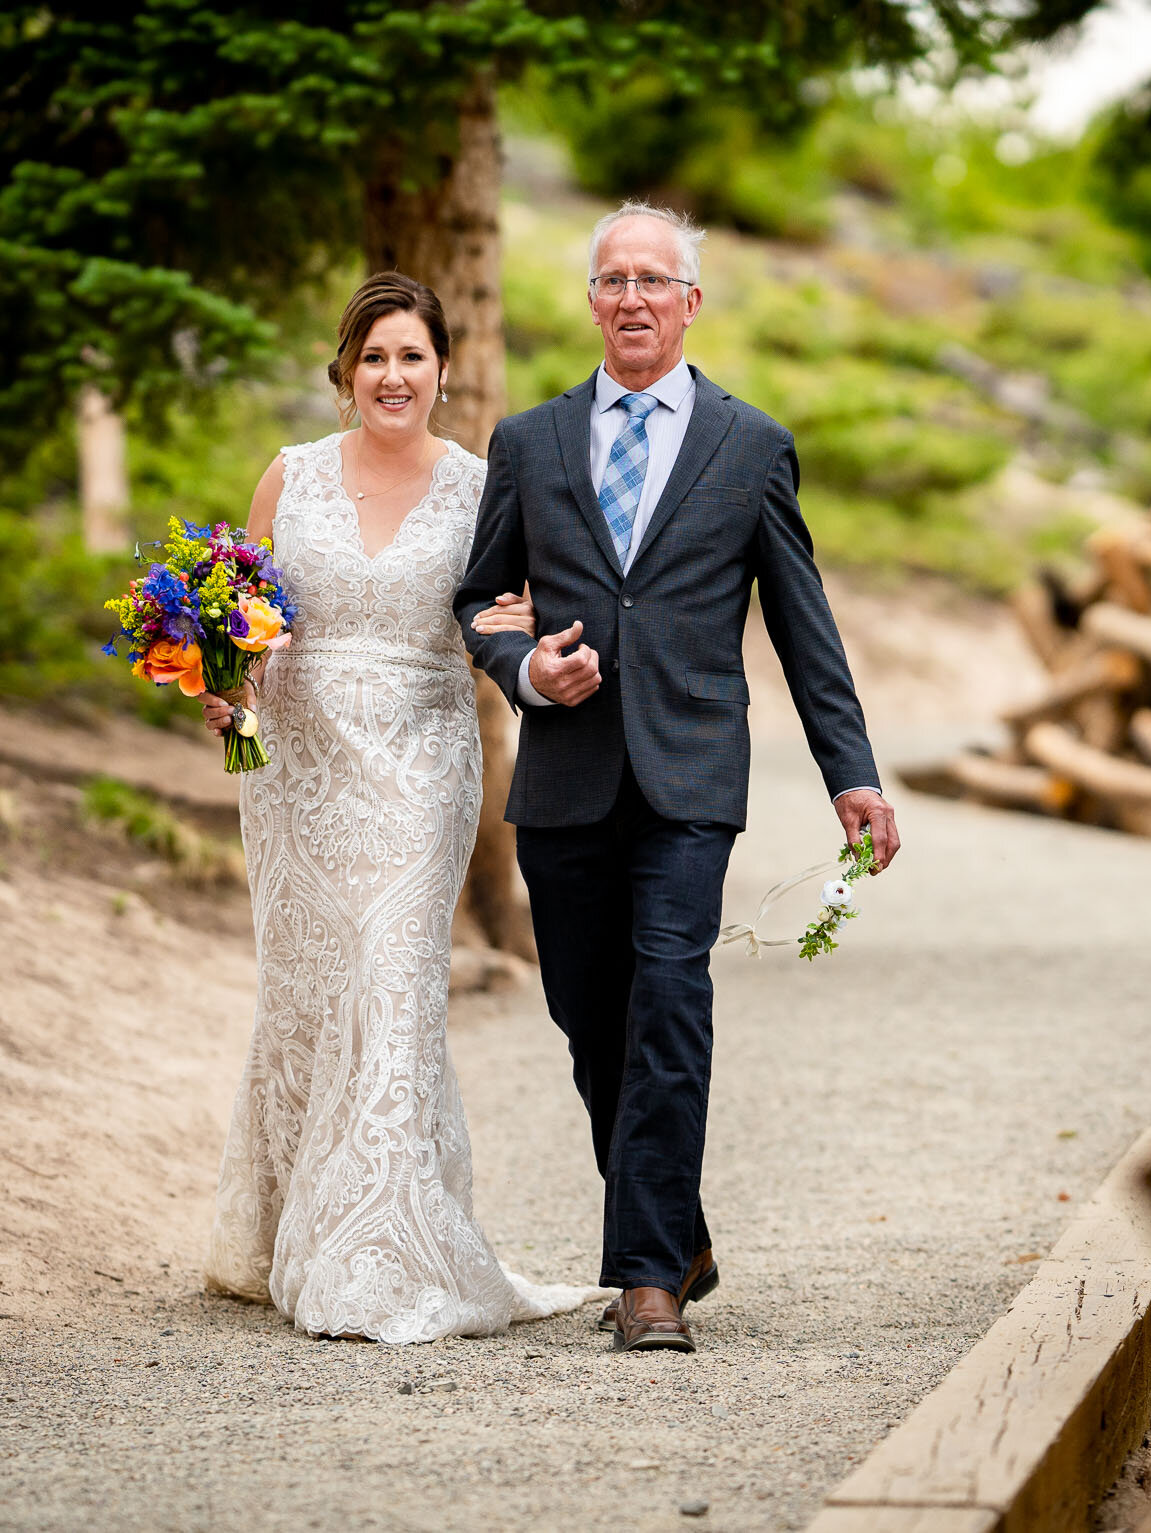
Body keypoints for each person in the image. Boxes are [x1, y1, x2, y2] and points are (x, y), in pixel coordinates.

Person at [454, 201, 902, 1354]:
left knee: (669, 1001)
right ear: (591, 300)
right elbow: (477, 598)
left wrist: (850, 775)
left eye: (655, 280)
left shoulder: (750, 447)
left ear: (691, 302)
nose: (634, 298)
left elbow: (805, 630)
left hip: (692, 775)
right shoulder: (529, 442)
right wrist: (520, 665)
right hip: (565, 775)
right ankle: (680, 1229)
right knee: (584, 1014)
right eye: (613, 280)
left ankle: (647, 1279)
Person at [200, 272, 605, 1343]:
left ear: (441, 372)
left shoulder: (481, 488)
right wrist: (223, 687)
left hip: (424, 760)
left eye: (411, 356)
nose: (392, 375)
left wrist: (525, 629)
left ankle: (378, 1246)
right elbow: (248, 616)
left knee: (390, 980)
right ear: (345, 373)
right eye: (373, 356)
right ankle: (285, 1222)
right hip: (296, 768)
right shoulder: (286, 479)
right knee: (310, 986)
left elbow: (498, 614)